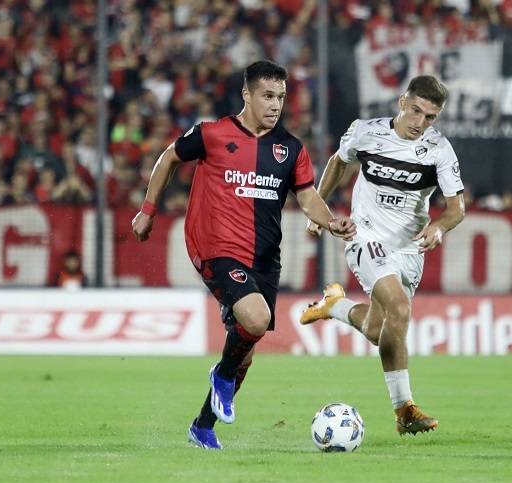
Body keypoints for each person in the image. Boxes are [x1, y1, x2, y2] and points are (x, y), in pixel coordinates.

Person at [131, 60, 356, 450]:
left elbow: (307, 197)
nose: (275, 105)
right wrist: (148, 211)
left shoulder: (291, 149)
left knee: (246, 347)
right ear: (247, 95)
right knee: (256, 318)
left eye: (281, 97)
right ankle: (221, 375)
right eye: (267, 96)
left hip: (264, 258)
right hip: (215, 248)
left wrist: (331, 221)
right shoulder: (212, 134)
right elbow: (169, 157)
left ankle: (203, 426)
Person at [300, 75, 465, 436]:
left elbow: (457, 209)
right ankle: (404, 409)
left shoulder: (439, 149)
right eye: (416, 110)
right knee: (400, 310)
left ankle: (334, 306)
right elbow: (338, 162)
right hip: (366, 238)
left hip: (409, 249)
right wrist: (319, 211)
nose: (419, 122)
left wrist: (439, 227)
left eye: (430, 117)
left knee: (380, 331)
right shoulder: (365, 131)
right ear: (402, 101)